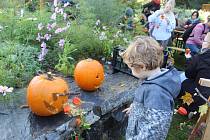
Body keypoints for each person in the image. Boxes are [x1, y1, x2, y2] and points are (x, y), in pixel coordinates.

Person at [120, 36, 181, 140]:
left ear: (142, 66)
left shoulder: (156, 92)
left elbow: (155, 130)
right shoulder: (153, 80)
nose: (131, 71)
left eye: (131, 67)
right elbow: (147, 105)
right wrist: (135, 108)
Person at [179, 32, 210, 117]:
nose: (202, 42)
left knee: (181, 76)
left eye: (204, 40)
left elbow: (189, 74)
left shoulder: (200, 57)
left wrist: (189, 61)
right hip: (206, 96)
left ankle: (191, 108)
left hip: (199, 95)